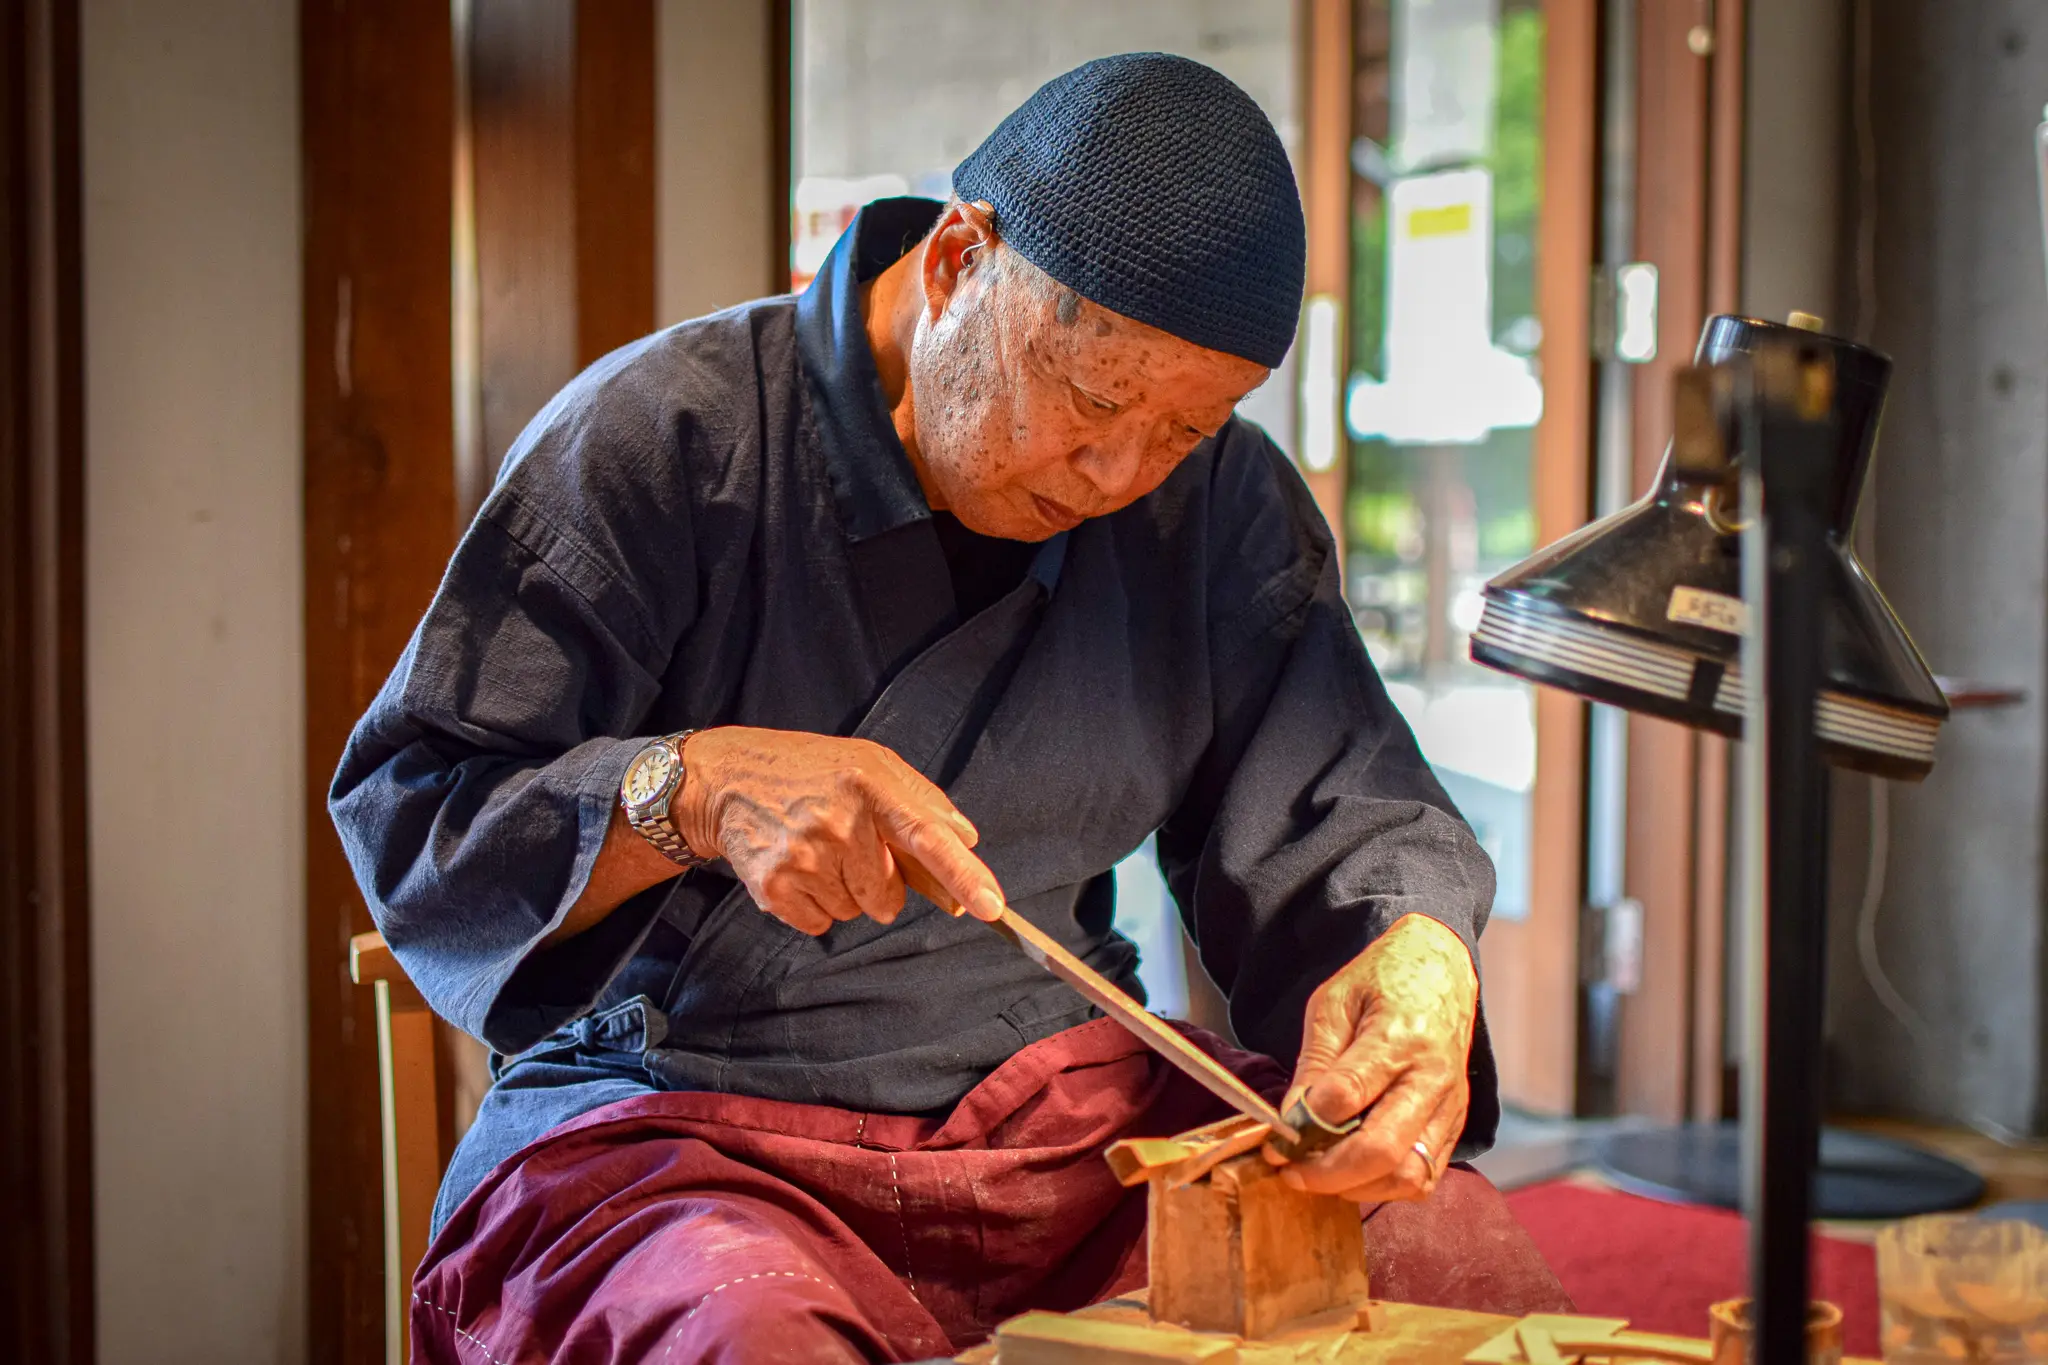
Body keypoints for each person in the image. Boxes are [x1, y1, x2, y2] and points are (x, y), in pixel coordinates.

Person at [331, 52, 1567, 1364]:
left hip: (1063, 1116)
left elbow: (1345, 800)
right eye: (1092, 400)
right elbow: (419, 817)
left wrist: (1415, 949)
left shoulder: (1211, 505)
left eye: (1183, 431)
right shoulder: (663, 441)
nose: (1118, 472)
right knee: (748, 1340)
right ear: (957, 260)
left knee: (1445, 1275)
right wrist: (683, 786)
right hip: (687, 1135)